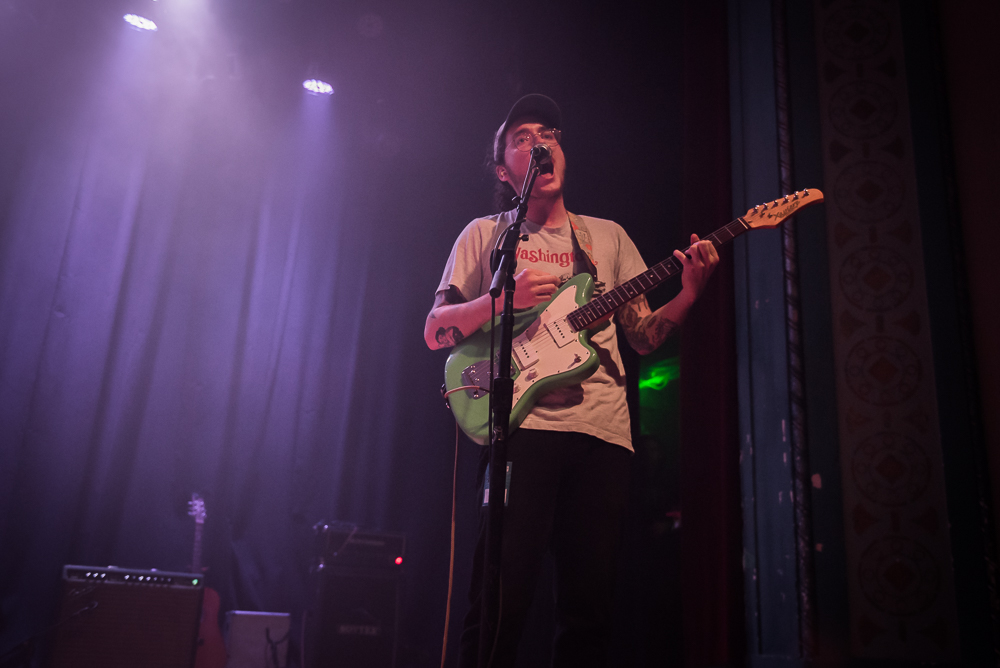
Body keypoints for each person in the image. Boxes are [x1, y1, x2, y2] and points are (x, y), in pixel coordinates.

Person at [423, 94, 719, 668]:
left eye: (550, 132)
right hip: (522, 429)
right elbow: (436, 331)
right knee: (501, 599)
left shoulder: (606, 238)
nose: (541, 140)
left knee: (590, 609)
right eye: (523, 136)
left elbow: (641, 336)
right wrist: (495, 302)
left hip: (603, 437)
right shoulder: (486, 236)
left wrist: (687, 294)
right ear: (506, 169)